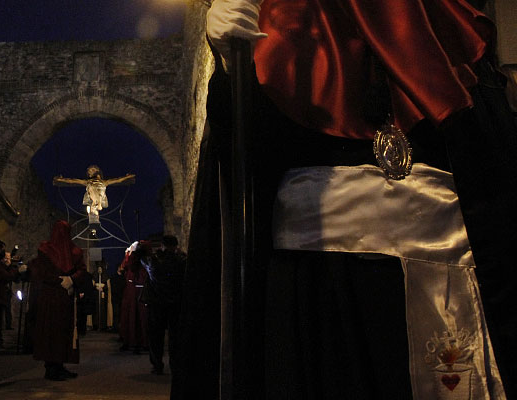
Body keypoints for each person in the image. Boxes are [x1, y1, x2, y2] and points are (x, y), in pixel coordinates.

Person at [177, 0, 517, 398]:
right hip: (318, 287)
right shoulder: (281, 19)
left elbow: (488, 170)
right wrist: (233, 68)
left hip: (440, 277)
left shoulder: (437, 17)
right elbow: (251, 162)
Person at [29, 220, 90, 381]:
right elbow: (43, 272)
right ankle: (52, 367)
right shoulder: (48, 250)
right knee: (53, 331)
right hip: (54, 296)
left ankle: (58, 365)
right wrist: (65, 280)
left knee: (60, 331)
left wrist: (70, 280)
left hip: (60, 297)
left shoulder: (71, 251)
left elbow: (81, 270)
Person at [142, 235, 186, 376]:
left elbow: (142, 258)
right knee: (175, 337)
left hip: (156, 303)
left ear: (162, 245)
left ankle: (157, 365)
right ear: (175, 246)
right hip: (175, 303)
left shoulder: (153, 261)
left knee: (155, 336)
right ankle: (175, 365)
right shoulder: (181, 261)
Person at [118, 241, 150, 354]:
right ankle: (132, 341)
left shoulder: (141, 258)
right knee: (132, 316)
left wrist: (130, 254)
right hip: (132, 290)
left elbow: (129, 267)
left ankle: (140, 342)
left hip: (138, 290)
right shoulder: (136, 258)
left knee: (139, 317)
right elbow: (123, 269)